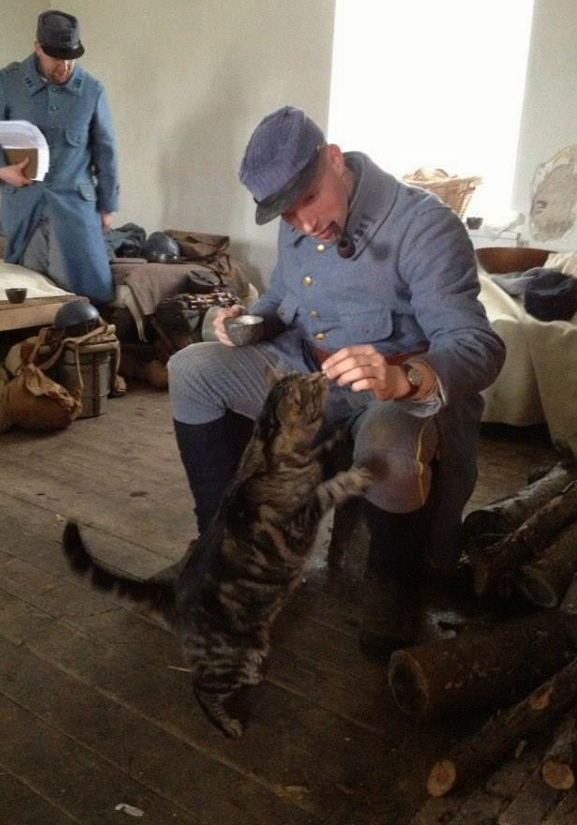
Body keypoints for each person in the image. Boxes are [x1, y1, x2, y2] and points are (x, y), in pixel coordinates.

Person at [167, 105, 506, 661]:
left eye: (309, 200)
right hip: (308, 371)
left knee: (389, 442)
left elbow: (480, 346)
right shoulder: (296, 217)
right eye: (288, 213)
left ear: (333, 158)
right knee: (193, 371)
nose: (304, 223)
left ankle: (393, 589)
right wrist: (246, 323)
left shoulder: (424, 225)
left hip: (394, 386)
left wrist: (403, 378)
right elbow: (283, 299)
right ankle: (221, 548)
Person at [0, 10, 119, 305]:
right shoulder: (8, 84)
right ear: (38, 47)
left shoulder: (92, 91)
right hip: (24, 203)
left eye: (71, 58)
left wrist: (107, 206)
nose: (65, 66)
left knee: (83, 287)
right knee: (26, 289)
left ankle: (82, 343)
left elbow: (106, 150)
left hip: (75, 203)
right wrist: (1, 170)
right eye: (56, 58)